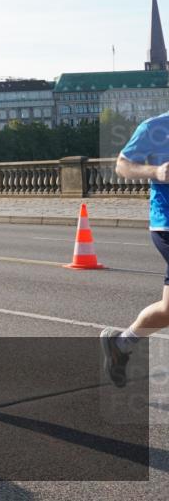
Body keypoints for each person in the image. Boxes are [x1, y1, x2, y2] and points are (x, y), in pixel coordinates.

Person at [102, 113, 169, 388]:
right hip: (167, 224)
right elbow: (122, 165)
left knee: (167, 310)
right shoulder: (154, 127)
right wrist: (155, 172)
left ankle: (122, 344)